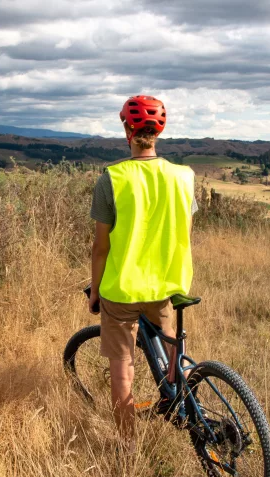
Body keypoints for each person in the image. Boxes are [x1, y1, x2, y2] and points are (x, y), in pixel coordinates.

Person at [88, 95, 197, 439]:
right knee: (171, 355)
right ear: (159, 131)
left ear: (127, 130)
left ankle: (128, 448)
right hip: (167, 285)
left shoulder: (113, 179)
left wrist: (95, 290)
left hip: (121, 289)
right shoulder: (183, 177)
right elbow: (184, 233)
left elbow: (101, 247)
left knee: (123, 371)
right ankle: (181, 407)